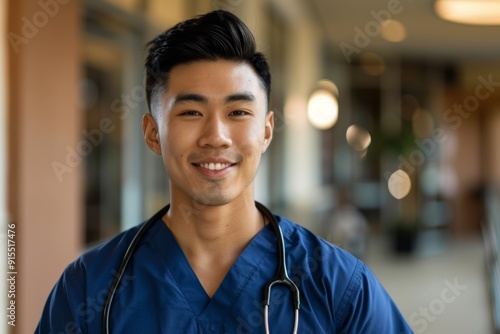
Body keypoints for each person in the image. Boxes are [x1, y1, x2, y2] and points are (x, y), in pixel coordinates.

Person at [36, 10, 412, 333]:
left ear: (266, 131)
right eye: (191, 112)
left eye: (238, 113)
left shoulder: (338, 285)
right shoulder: (90, 289)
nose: (216, 136)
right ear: (153, 133)